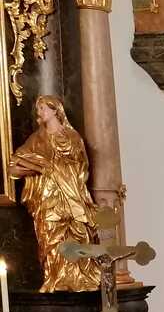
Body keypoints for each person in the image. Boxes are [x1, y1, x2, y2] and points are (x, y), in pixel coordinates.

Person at [8, 95, 102, 292]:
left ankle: (80, 277)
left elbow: (83, 168)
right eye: (38, 109)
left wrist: (62, 173)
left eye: (43, 108)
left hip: (72, 196)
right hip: (48, 198)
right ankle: (56, 277)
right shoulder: (36, 140)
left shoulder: (73, 137)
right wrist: (39, 168)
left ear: (55, 110)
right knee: (51, 237)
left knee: (77, 233)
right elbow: (13, 168)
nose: (39, 112)